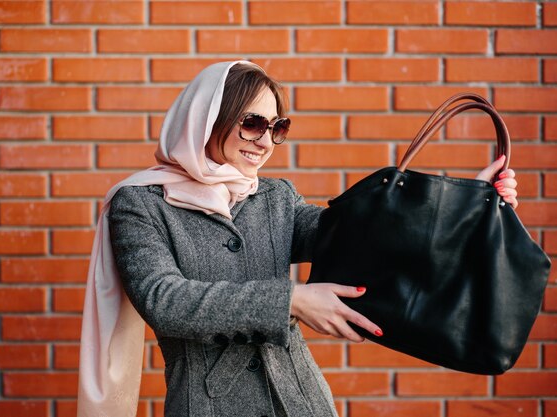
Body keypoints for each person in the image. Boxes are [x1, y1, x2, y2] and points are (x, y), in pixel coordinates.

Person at [77, 61, 519, 417]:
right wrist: (290, 300)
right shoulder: (139, 203)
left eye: (277, 127)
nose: (265, 141)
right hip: (207, 406)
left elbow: (354, 236)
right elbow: (166, 302)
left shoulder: (275, 197)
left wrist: (470, 204)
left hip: (301, 399)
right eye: (252, 123)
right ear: (207, 118)